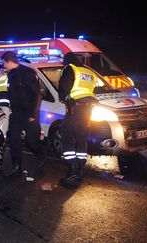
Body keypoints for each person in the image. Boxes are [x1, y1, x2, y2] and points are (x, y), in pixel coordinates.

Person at [1, 51, 45, 177]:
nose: (4, 66)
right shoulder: (11, 75)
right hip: (16, 112)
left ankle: (41, 154)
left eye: (4, 63)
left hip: (28, 113)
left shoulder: (27, 73)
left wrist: (33, 114)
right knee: (14, 139)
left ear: (9, 61)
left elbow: (36, 94)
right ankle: (16, 166)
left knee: (32, 141)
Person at [58, 53, 98, 187]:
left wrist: (65, 98)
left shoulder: (70, 68)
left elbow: (63, 88)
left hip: (75, 109)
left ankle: (72, 170)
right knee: (81, 140)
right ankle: (80, 170)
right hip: (88, 110)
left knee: (67, 138)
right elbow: (93, 89)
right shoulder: (88, 71)